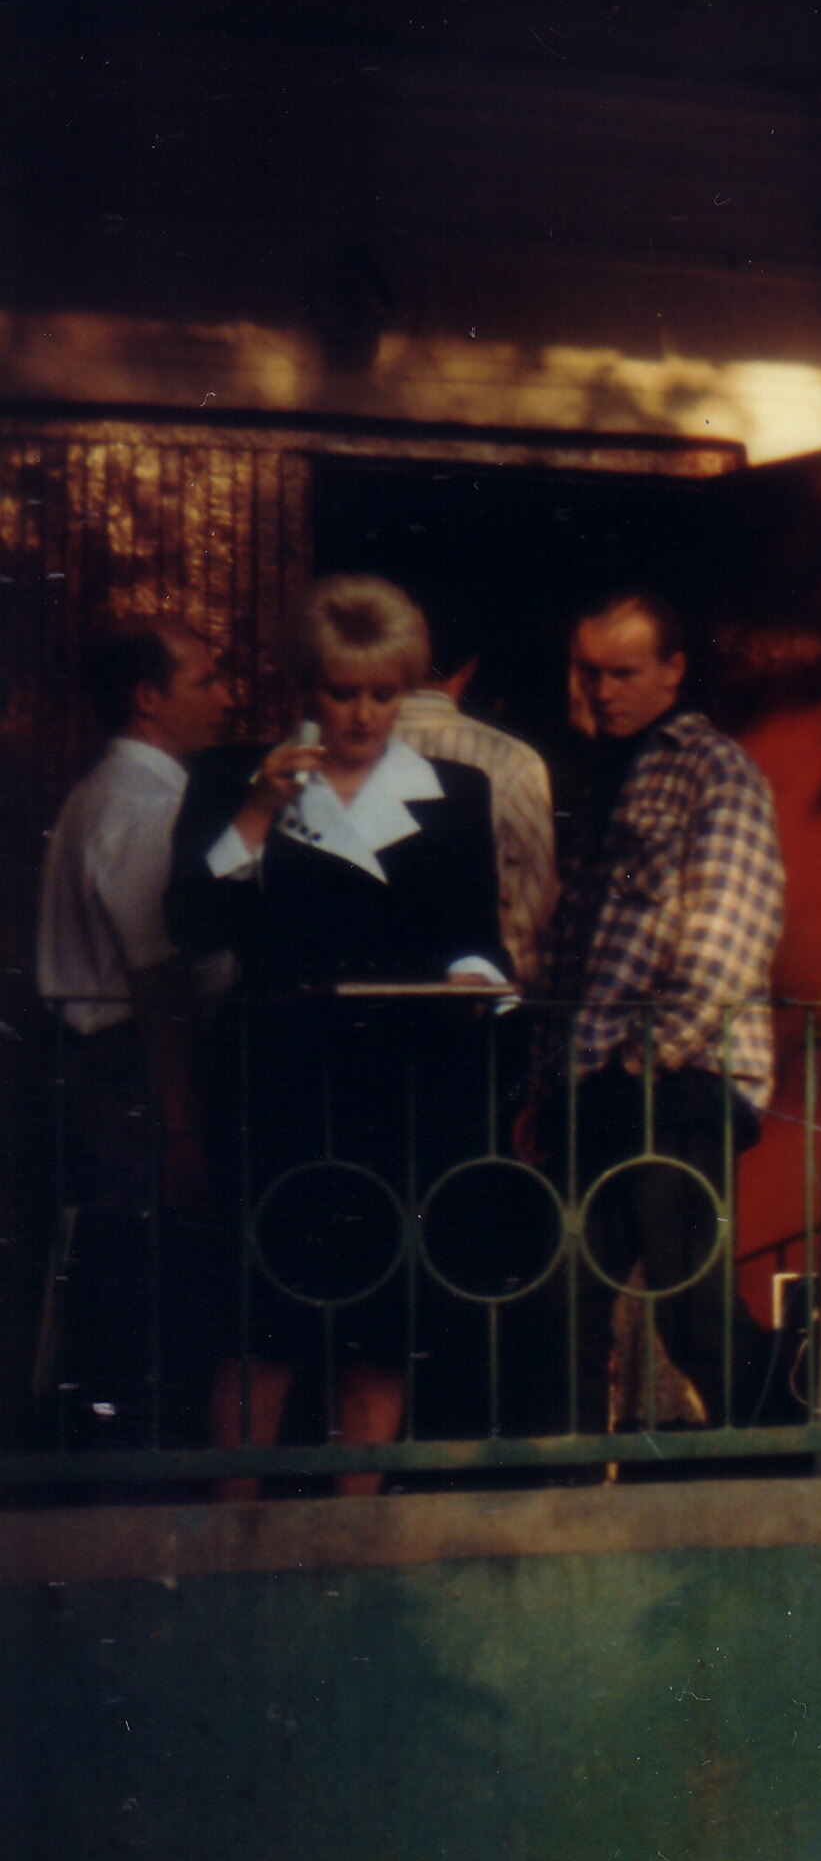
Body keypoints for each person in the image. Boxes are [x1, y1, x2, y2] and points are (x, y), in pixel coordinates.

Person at [172, 576, 508, 1476]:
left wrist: (474, 981)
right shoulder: (233, 777)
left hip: (403, 1096)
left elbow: (478, 939)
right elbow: (190, 926)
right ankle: (230, 1535)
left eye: (383, 692)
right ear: (303, 687)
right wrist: (255, 810)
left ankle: (355, 1534)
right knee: (263, 1323)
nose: (363, 714)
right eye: (341, 691)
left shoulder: (457, 792)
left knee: (383, 1326)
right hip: (276, 1091)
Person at [531, 588, 790, 1435]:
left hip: (677, 1083)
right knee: (565, 1296)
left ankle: (782, 1464)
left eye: (624, 672)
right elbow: (575, 937)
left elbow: (731, 928)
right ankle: (566, 1486)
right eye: (590, 671)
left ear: (673, 671)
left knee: (691, 1305)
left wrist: (650, 1054)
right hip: (593, 1076)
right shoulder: (599, 769)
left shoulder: (712, 769)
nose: (604, 690)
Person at [35, 616, 234, 1443]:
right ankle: (132, 1468)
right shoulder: (145, 804)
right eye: (207, 682)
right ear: (148, 699)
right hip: (137, 1071)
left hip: (117, 1067)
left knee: (129, 1272)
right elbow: (160, 984)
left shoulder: (107, 793)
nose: (227, 698)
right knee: (148, 1278)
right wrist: (185, 1132)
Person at [391, 617, 559, 987]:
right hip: (478, 1007)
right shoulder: (514, 761)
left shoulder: (319, 754)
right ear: (469, 666)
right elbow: (533, 913)